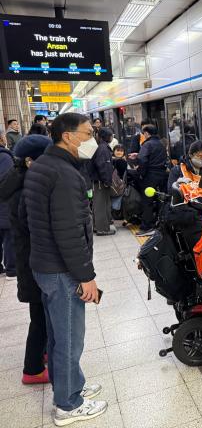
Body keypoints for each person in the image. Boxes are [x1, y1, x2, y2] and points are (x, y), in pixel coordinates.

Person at [23, 113, 107, 426]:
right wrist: (86, 277)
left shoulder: (42, 166)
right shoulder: (64, 174)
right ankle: (69, 404)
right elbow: (70, 232)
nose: (92, 140)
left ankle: (71, 385)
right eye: (88, 134)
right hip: (62, 270)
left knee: (58, 336)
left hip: (45, 265)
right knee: (70, 338)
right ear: (68, 136)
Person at [0, 135, 52, 384]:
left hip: (30, 259)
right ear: (31, 161)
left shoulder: (19, 179)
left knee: (40, 313)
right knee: (40, 317)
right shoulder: (26, 189)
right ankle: (32, 369)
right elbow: (36, 229)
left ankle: (42, 353)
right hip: (35, 262)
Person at [136, 124, 168, 236]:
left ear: (146, 133)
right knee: (161, 200)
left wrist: (141, 173)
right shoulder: (161, 143)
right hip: (162, 175)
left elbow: (142, 159)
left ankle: (146, 227)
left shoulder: (147, 144)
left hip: (150, 176)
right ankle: (160, 224)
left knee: (147, 201)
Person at [89, 128, 115, 236]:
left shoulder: (101, 147)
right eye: (111, 135)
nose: (112, 137)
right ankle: (102, 229)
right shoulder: (103, 148)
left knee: (99, 204)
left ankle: (97, 226)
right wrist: (106, 180)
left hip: (99, 180)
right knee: (101, 205)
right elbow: (103, 166)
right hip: (100, 181)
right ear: (106, 136)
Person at [0, 129, 16, 277]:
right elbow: (7, 182)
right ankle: (12, 268)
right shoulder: (4, 157)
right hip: (4, 204)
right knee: (9, 236)